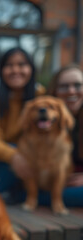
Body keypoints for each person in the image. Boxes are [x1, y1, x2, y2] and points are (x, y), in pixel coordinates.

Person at [0, 47, 45, 201]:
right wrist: (14, 155)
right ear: (1, 69)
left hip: (32, 156)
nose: (15, 70)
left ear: (31, 69)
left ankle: (12, 194)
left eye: (21, 65)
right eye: (9, 65)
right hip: (1, 159)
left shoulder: (39, 93)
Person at [48, 64, 83, 193]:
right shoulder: (44, 119)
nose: (71, 91)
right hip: (54, 181)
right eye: (64, 86)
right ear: (55, 91)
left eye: (78, 85)